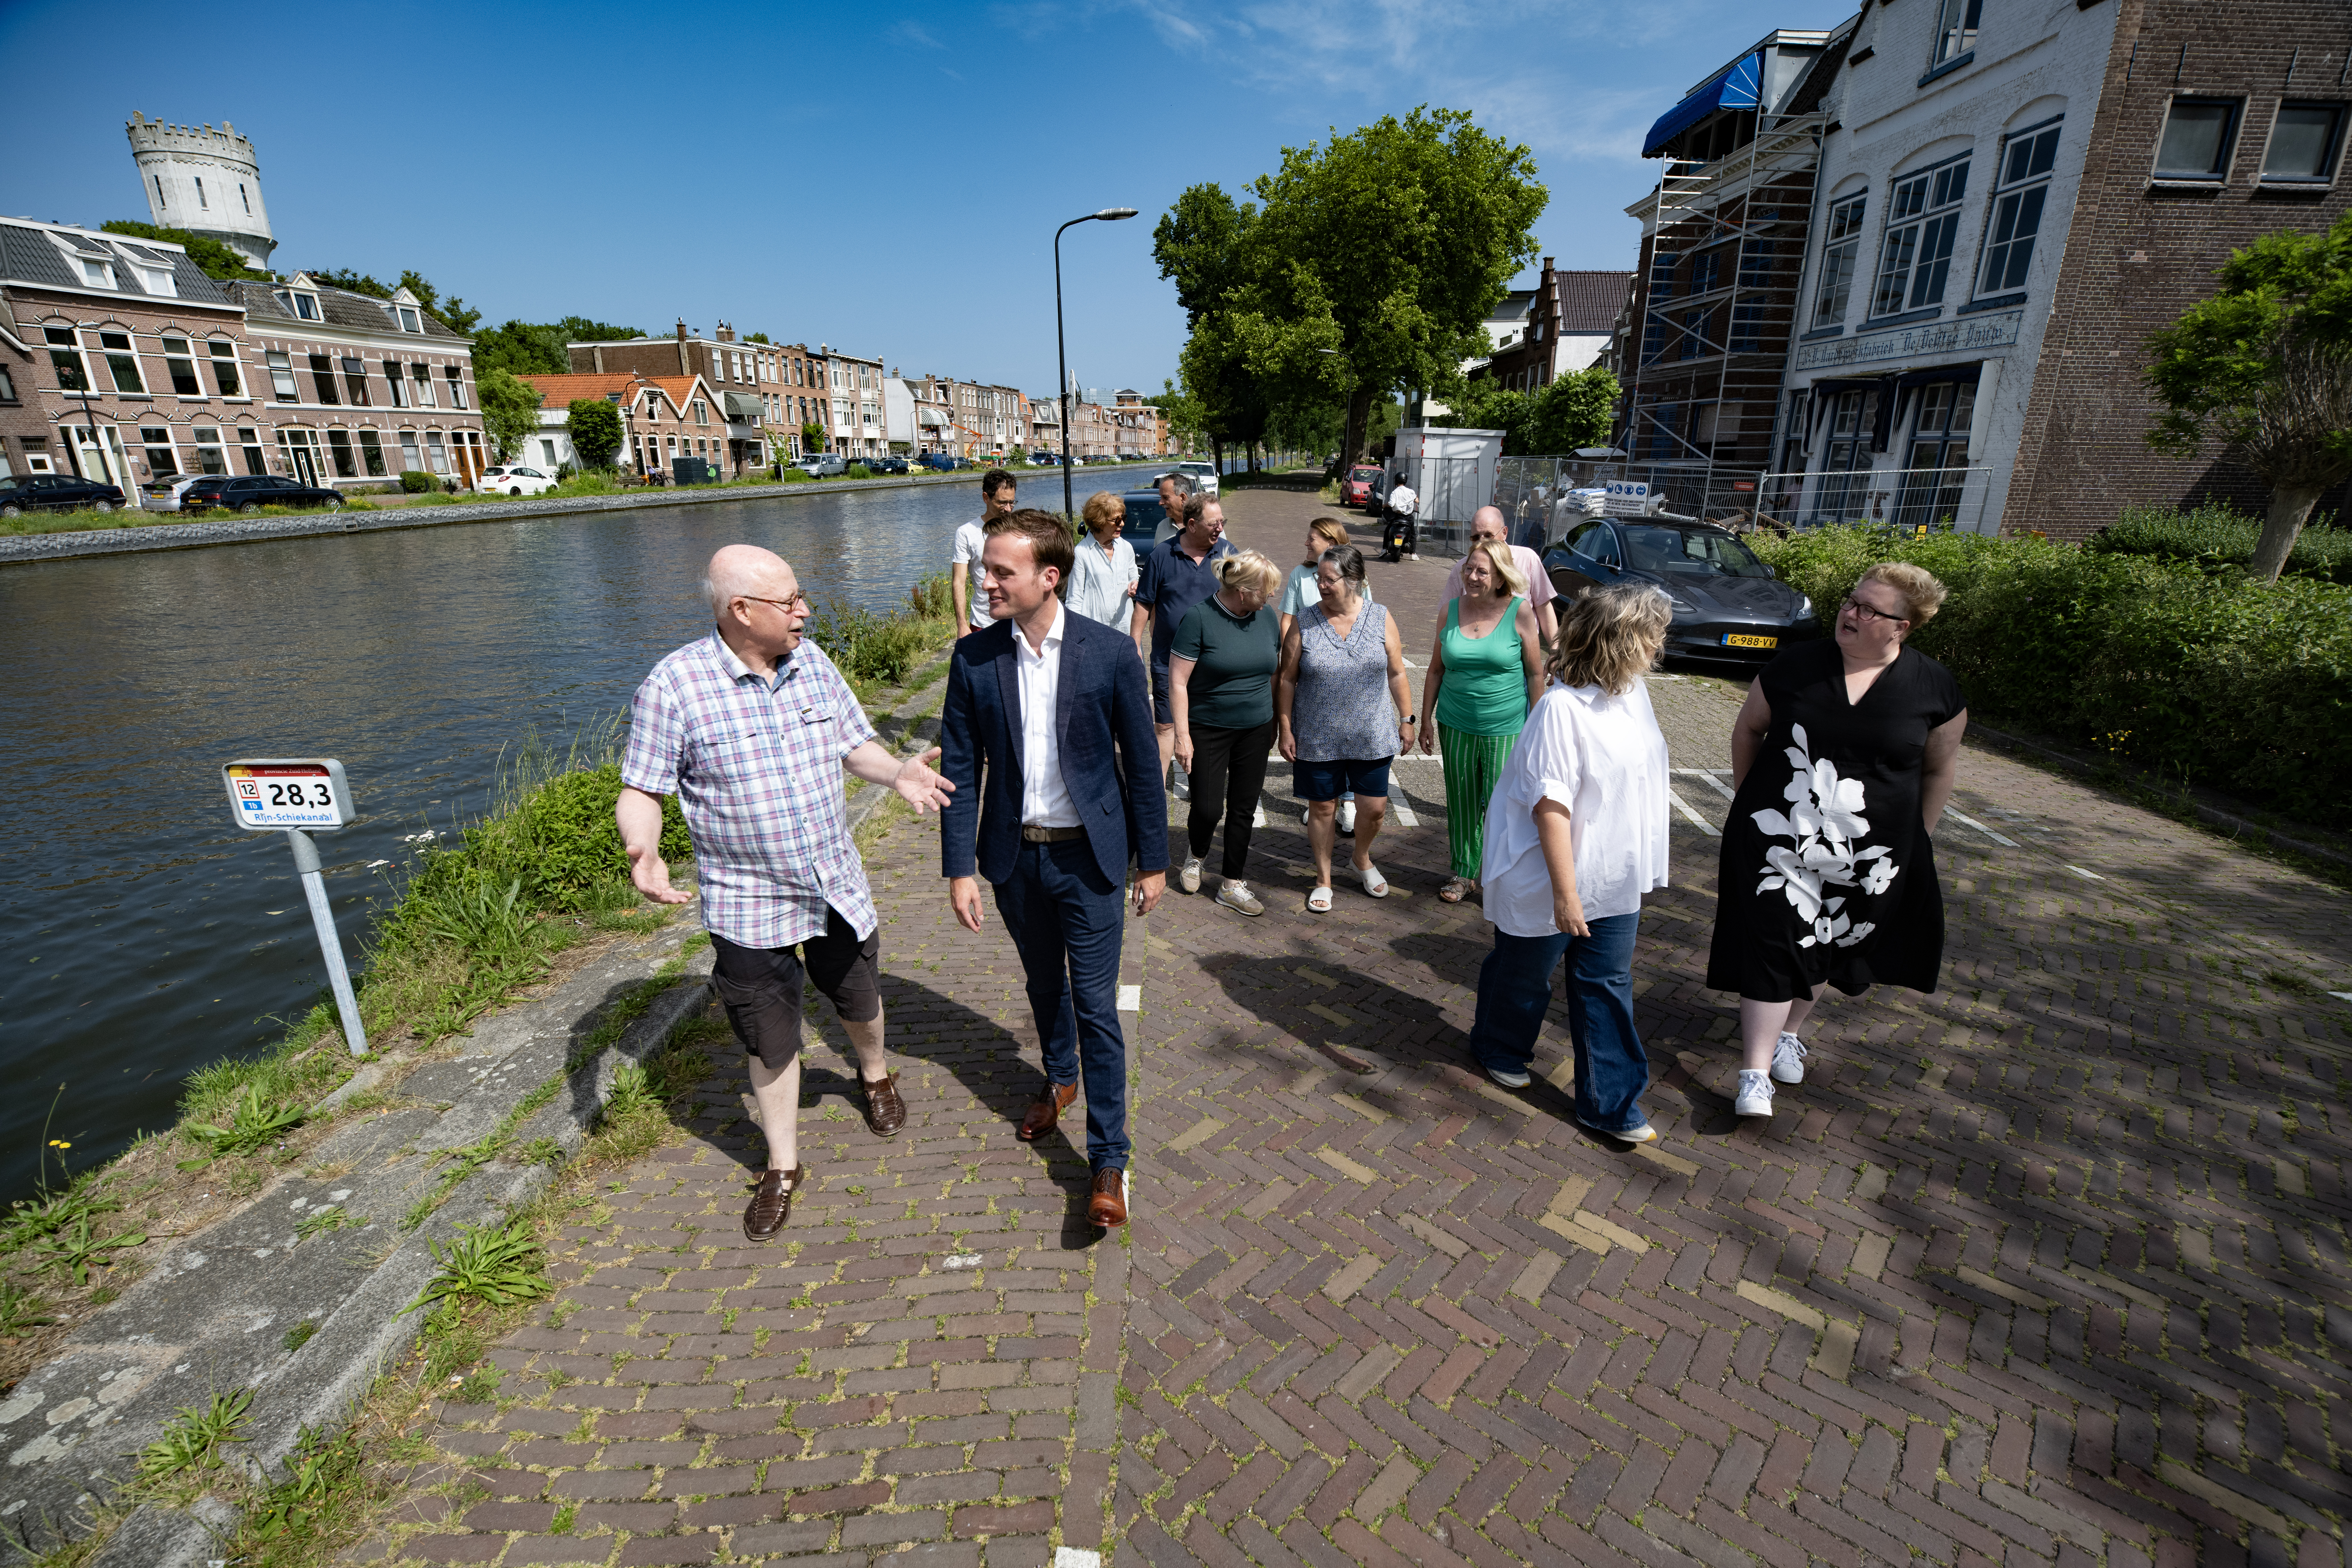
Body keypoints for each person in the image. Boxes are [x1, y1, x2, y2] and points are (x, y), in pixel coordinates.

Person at [618, 545, 955, 1243]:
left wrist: (896, 773)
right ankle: (781, 1165)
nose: (804, 611)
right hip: (746, 903)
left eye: (802, 598)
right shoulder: (674, 685)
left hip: (833, 883)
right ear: (741, 611)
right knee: (769, 1040)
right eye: (790, 601)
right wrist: (643, 848)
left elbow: (853, 744)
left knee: (859, 999)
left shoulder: (814, 663)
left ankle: (875, 1075)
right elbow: (643, 788)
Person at [940, 510, 1166, 1228]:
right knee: (1043, 985)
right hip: (1014, 860)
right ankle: (1060, 1077)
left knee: (1096, 1006)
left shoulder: (1109, 653)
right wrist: (960, 868)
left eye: (1001, 571)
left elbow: (1142, 765)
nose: (986, 581)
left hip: (1089, 858)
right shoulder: (974, 657)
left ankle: (1108, 1159)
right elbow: (959, 769)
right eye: (985, 569)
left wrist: (1152, 860)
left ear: (1049, 576)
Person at [1707, 563, 1966, 1118]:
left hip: (1870, 851)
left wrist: (1919, 835)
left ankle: (1789, 1033)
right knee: (1775, 939)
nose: (1851, 612)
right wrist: (1747, 802)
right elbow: (1749, 728)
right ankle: (1754, 1073)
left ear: (1901, 627)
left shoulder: (1934, 687)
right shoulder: (1796, 666)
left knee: (1828, 939)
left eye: (1870, 609)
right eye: (1852, 600)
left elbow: (1939, 768)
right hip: (1781, 840)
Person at [1467, 584, 1671, 1138]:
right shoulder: (1561, 709)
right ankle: (1498, 1045)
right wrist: (1566, 893)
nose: (1658, 648)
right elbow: (1550, 807)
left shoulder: (1632, 695)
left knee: (1606, 984)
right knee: (1524, 973)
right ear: (1620, 641)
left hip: (1612, 874)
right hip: (1549, 875)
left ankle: (1610, 1105)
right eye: (1651, 637)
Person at [1276, 544, 1412, 911]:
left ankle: (1361, 858)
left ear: (1353, 580)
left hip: (1372, 735)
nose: (1321, 585)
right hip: (1318, 737)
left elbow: (1397, 672)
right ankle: (1324, 879)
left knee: (1375, 809)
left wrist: (1407, 719)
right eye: (1318, 578)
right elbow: (1287, 678)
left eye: (1329, 579)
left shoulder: (1380, 616)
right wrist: (1285, 727)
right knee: (1323, 809)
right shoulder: (1305, 620)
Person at [1419, 539, 1545, 904]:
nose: (1472, 577)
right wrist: (1425, 719)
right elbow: (1435, 670)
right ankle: (1464, 872)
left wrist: (1538, 726)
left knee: (1504, 806)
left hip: (1506, 728)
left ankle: (1504, 876)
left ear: (1501, 577)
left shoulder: (1520, 612)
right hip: (1455, 724)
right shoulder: (1450, 611)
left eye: (1482, 572)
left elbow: (1535, 674)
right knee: (1462, 802)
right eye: (1469, 569)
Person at [1168, 550, 1285, 916]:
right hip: (1208, 728)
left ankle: (1232, 884)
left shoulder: (1267, 616)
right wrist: (1182, 735)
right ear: (1243, 590)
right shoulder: (1199, 618)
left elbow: (1272, 672)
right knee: (1207, 809)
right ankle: (1197, 854)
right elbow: (1178, 681)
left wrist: (1275, 722)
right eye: (1266, 589)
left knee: (1243, 809)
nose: (1272, 596)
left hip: (1256, 728)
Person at [1130, 494, 1235, 801]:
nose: (1220, 528)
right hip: (1169, 659)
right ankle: (1154, 792)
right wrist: (1135, 643)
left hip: (1214, 662)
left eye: (1222, 522)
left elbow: (1244, 596)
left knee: (1206, 725)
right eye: (1214, 523)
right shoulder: (1162, 555)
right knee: (1166, 726)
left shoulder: (1228, 554)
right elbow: (1144, 603)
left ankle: (1201, 783)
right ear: (1191, 525)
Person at [1280, 517, 1374, 833]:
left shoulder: (1356, 577)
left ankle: (1347, 802)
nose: (1307, 543)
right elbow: (1288, 618)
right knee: (1317, 735)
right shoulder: (1300, 574)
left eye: (1313, 538)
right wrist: (1289, 656)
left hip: (1347, 669)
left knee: (1347, 733)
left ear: (1331, 543)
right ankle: (1320, 802)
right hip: (1311, 663)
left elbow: (1366, 617)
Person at [1446, 506, 1559, 644]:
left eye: (1489, 536)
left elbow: (1545, 609)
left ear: (1504, 533)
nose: (1482, 542)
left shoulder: (1528, 560)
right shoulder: (1462, 568)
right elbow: (1449, 616)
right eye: (1476, 537)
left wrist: (1555, 651)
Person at [951, 468, 1019, 637]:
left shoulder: (1019, 530)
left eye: (1012, 503)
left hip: (1018, 620)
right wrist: (962, 624)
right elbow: (959, 582)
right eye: (1002, 503)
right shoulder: (966, 533)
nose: (1009, 509)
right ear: (986, 498)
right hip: (983, 622)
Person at [1067, 491, 1140, 628]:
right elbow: (1074, 599)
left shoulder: (1126, 548)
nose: (1122, 524)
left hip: (1125, 629)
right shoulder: (1081, 552)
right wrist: (1074, 631)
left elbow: (1134, 581)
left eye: (1124, 518)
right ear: (1100, 522)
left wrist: (1135, 586)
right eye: (1117, 520)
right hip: (1095, 630)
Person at [1379, 474, 1420, 562]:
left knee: (1388, 531)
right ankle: (1413, 554)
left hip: (1397, 517)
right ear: (1406, 481)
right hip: (1408, 518)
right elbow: (1417, 501)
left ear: (1396, 481)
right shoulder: (1411, 492)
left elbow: (1391, 504)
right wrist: (1413, 499)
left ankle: (1384, 549)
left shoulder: (1395, 493)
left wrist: (1385, 505)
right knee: (1413, 534)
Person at [1151, 471, 1197, 546]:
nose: (1160, 503)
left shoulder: (1206, 524)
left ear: (1183, 498)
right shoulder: (1162, 527)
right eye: (1161, 497)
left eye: (1166, 497)